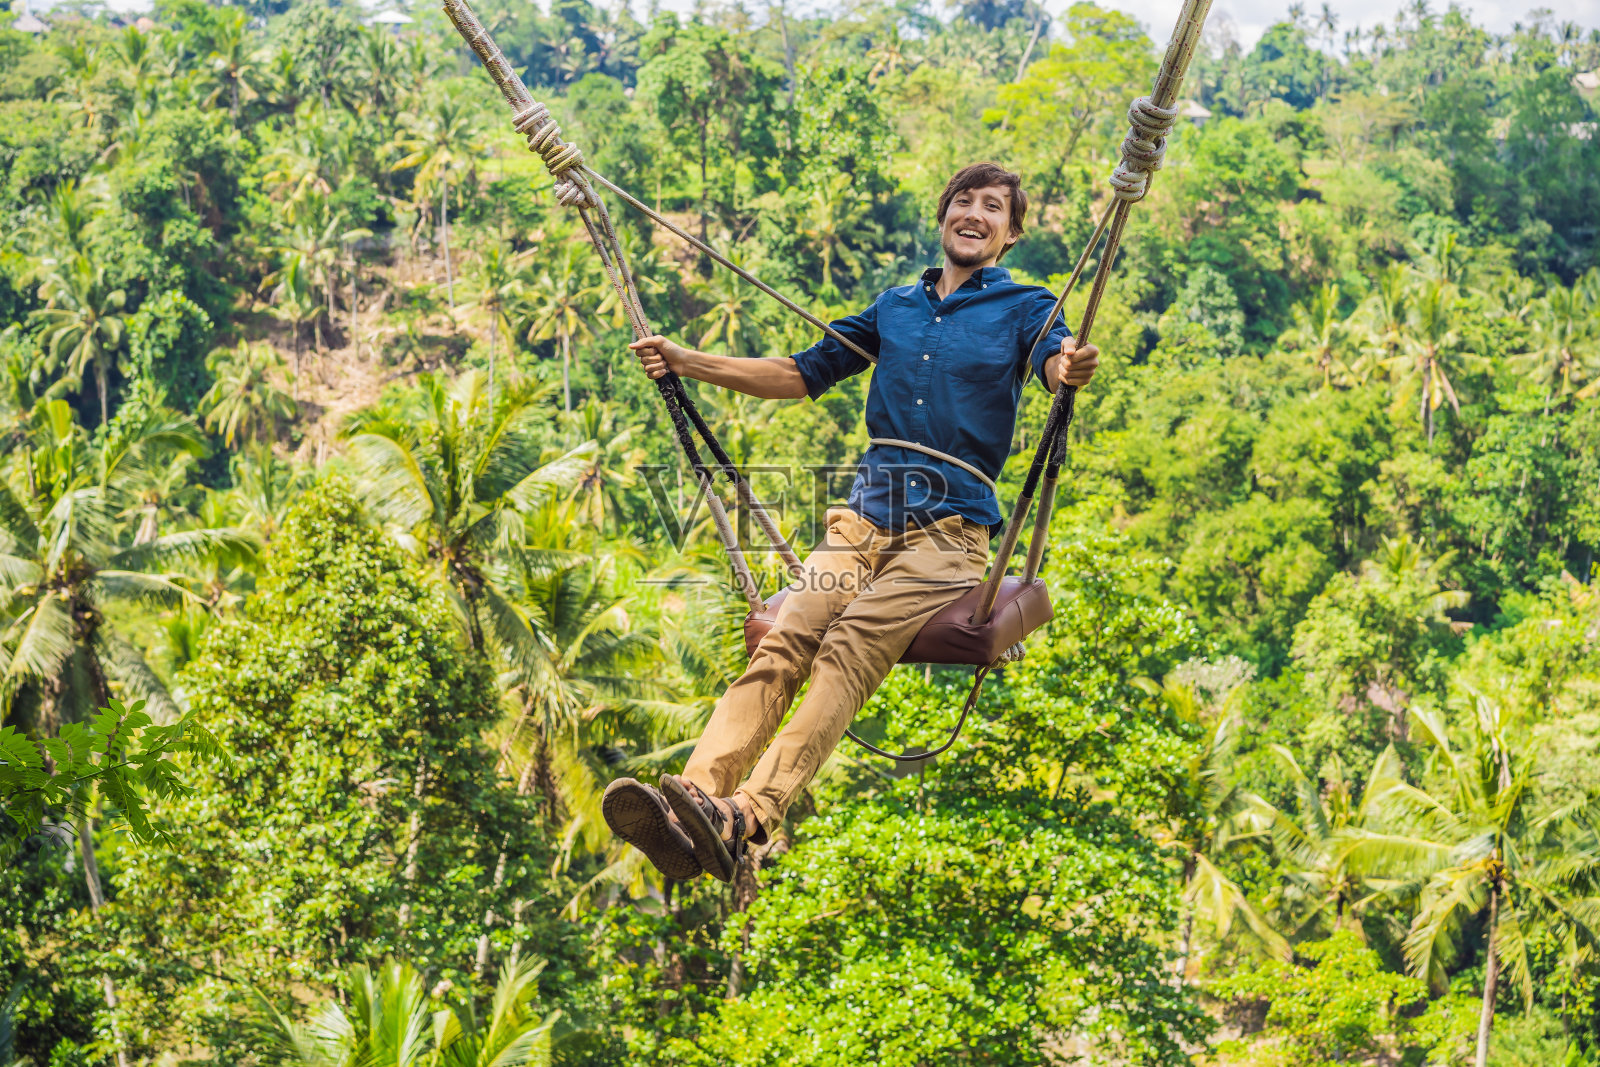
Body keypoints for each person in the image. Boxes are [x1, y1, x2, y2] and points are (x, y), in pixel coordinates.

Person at [600, 162, 1101, 883]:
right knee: (785, 638)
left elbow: (1056, 364)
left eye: (994, 207)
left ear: (1010, 233)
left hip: (948, 534)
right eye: (964, 200)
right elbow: (800, 373)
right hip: (861, 523)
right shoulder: (895, 307)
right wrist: (688, 362)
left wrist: (1068, 368)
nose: (975, 213)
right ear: (944, 215)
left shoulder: (1027, 307)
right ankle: (694, 804)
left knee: (851, 642)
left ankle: (749, 813)